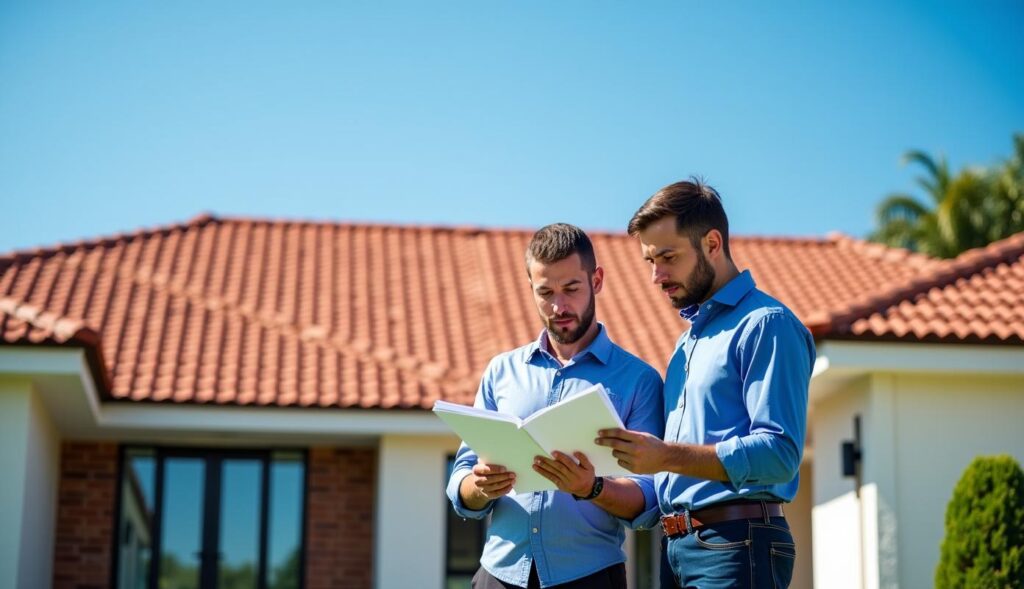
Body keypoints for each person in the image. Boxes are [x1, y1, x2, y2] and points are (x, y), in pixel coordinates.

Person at [596, 179, 815, 588]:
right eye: (650, 261)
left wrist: (666, 457)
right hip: (678, 547)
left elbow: (780, 453)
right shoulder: (687, 344)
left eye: (668, 257)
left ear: (712, 244)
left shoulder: (767, 325)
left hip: (737, 545)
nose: (656, 276)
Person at [446, 223, 664, 589]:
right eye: (545, 292)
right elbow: (462, 478)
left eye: (571, 289)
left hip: (590, 577)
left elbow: (648, 498)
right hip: (497, 575)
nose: (559, 306)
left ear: (596, 280)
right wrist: (480, 485)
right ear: (529, 287)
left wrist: (591, 487)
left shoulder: (639, 380)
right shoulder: (501, 371)